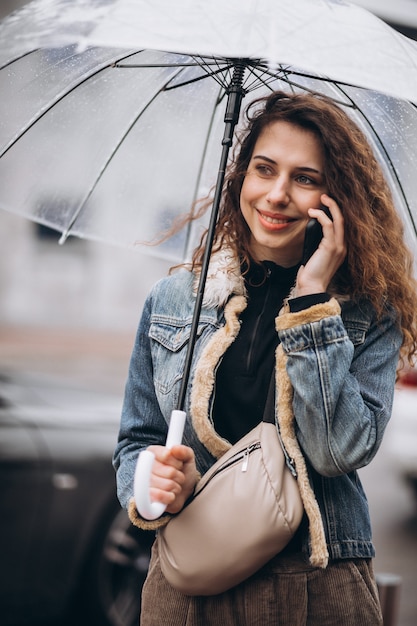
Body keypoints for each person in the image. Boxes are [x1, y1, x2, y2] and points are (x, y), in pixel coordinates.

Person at [113, 90, 417, 625]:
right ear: (241, 179)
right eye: (264, 169)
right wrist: (151, 481)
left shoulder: (371, 313)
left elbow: (336, 452)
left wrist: (311, 303)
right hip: (190, 583)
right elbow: (136, 440)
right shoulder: (175, 300)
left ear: (337, 198)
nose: (276, 195)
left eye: (305, 178)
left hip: (315, 583)